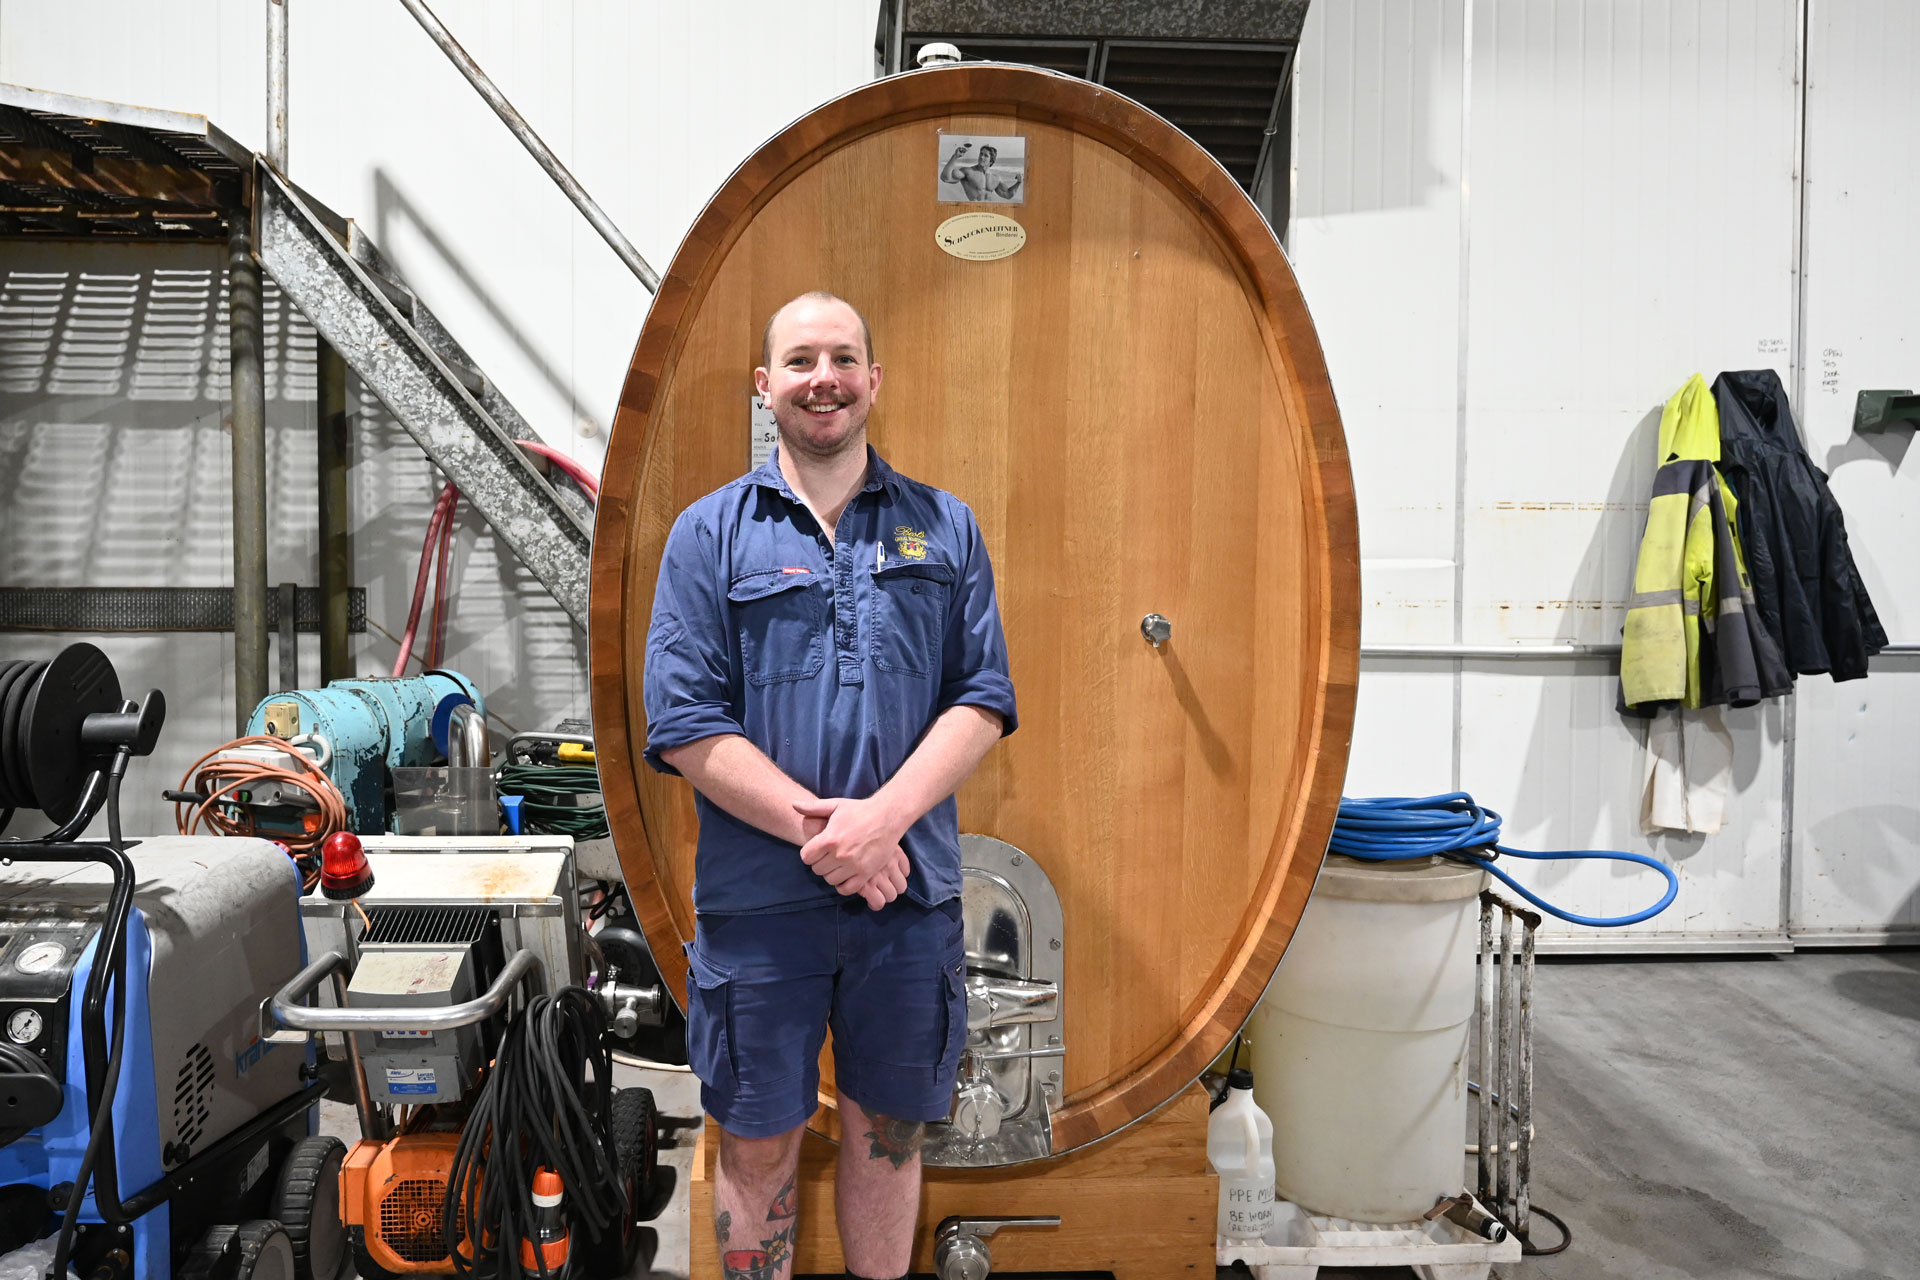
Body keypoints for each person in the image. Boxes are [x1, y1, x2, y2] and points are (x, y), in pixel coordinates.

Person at [643, 291, 1016, 1280]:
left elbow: (980, 698)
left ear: (873, 381)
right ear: (765, 386)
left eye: (843, 357)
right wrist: (830, 835)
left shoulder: (945, 527)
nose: (824, 377)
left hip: (909, 896)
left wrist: (882, 823)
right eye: (800, 359)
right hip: (760, 905)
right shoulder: (707, 535)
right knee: (757, 1138)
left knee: (889, 1133)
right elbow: (685, 724)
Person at [940, 141, 1023, 201]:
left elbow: (1008, 195)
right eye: (981, 154)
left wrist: (1018, 182)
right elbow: (945, 178)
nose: (982, 157)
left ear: (991, 161)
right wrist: (955, 156)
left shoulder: (996, 178)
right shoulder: (968, 172)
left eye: (986, 156)